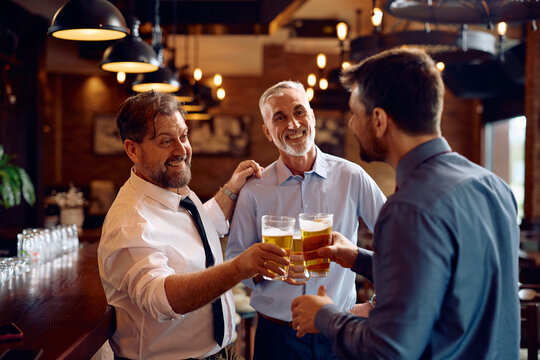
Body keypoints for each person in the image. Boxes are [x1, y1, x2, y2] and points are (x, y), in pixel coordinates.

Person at [291, 48, 520, 359]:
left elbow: (390, 349)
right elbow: (444, 279)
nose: (352, 125)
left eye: (354, 113)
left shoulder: (407, 209)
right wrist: (358, 257)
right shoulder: (493, 186)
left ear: (380, 120)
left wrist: (325, 317)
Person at [97, 90, 289, 360]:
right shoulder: (130, 221)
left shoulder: (174, 190)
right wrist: (239, 267)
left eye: (184, 136)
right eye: (165, 141)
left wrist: (231, 190)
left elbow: (199, 227)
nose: (181, 150)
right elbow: (161, 300)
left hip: (222, 351)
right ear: (132, 150)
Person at [225, 81, 386, 359]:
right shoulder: (253, 190)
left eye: (299, 112)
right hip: (276, 337)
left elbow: (398, 242)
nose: (293, 124)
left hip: (338, 330)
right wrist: (267, 269)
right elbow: (236, 262)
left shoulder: (351, 176)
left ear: (312, 117)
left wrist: (375, 304)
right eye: (280, 117)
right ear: (267, 132)